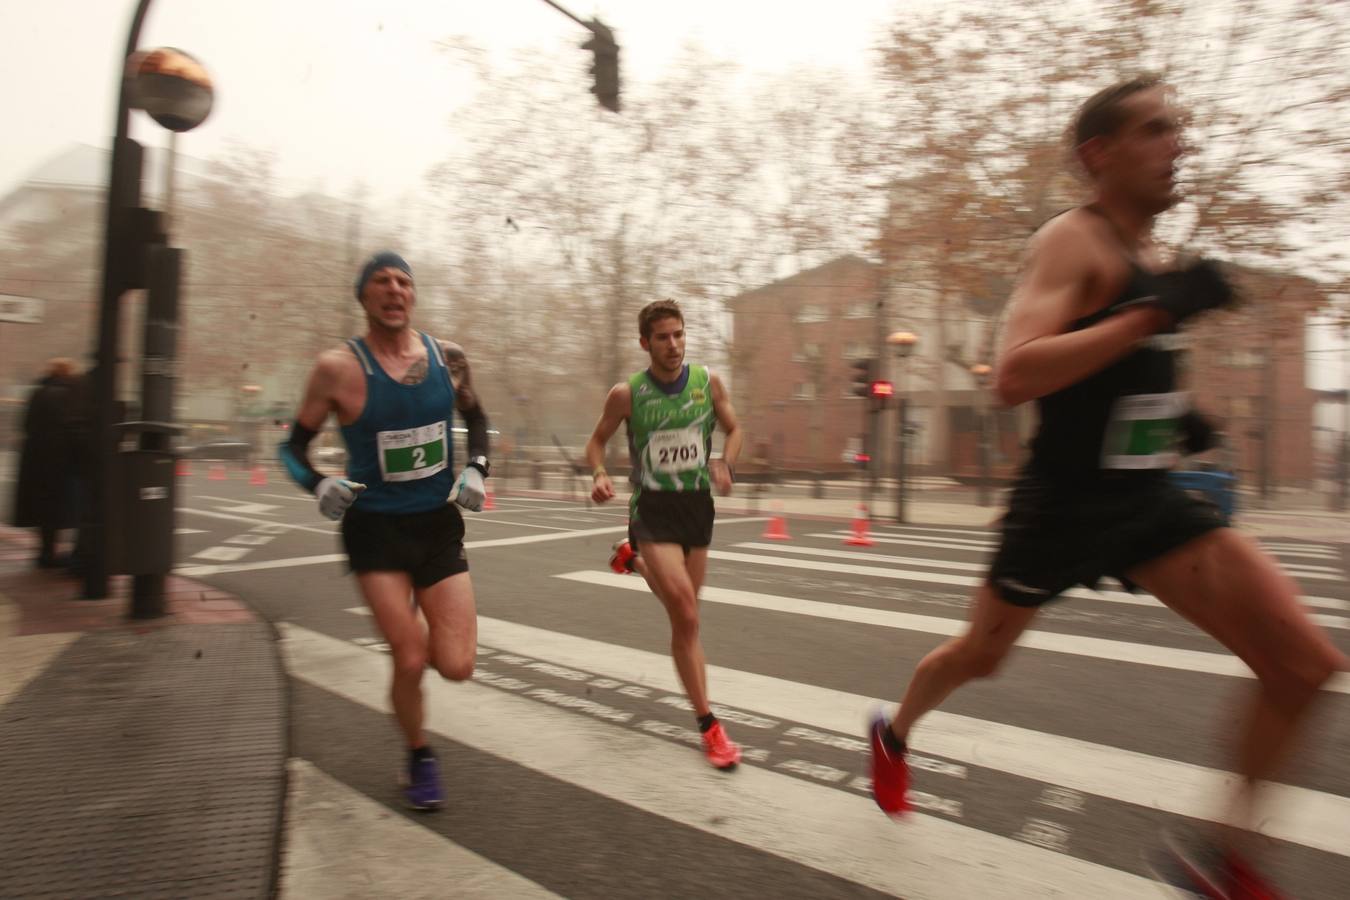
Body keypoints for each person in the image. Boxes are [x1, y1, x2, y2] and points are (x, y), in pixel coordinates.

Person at [868, 75, 1348, 895]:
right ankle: (896, 734)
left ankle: (1222, 855)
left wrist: (1181, 415)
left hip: (1145, 503)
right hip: (1060, 506)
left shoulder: (1149, 259)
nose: (1179, 144)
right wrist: (1153, 317)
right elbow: (1015, 375)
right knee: (981, 655)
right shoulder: (1073, 240)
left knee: (1302, 664)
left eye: (1179, 128)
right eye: (1157, 130)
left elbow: (1116, 375)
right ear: (1101, 154)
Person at [280, 251, 491, 811]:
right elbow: (291, 447)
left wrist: (476, 466)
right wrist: (318, 484)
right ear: (364, 296)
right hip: (375, 531)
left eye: (404, 281)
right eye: (382, 281)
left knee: (457, 665)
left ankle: (418, 725)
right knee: (409, 657)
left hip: (436, 526)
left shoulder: (448, 358)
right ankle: (420, 755)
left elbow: (480, 420)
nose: (395, 289)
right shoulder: (337, 369)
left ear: (413, 295)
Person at [586, 299, 745, 769]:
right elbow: (596, 441)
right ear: (645, 343)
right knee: (688, 614)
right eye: (662, 337)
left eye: (678, 334)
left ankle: (631, 560)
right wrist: (598, 473)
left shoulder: (707, 383)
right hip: (653, 510)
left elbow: (735, 429)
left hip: (696, 508)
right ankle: (709, 725)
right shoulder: (627, 394)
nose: (673, 345)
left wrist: (725, 462)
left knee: (683, 615)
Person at [10, 358, 83, 569]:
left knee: (44, 510)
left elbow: (26, 425)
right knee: (62, 508)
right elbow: (72, 427)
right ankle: (55, 554)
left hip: (37, 460)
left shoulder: (38, 392)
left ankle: (45, 552)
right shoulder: (68, 394)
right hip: (61, 461)